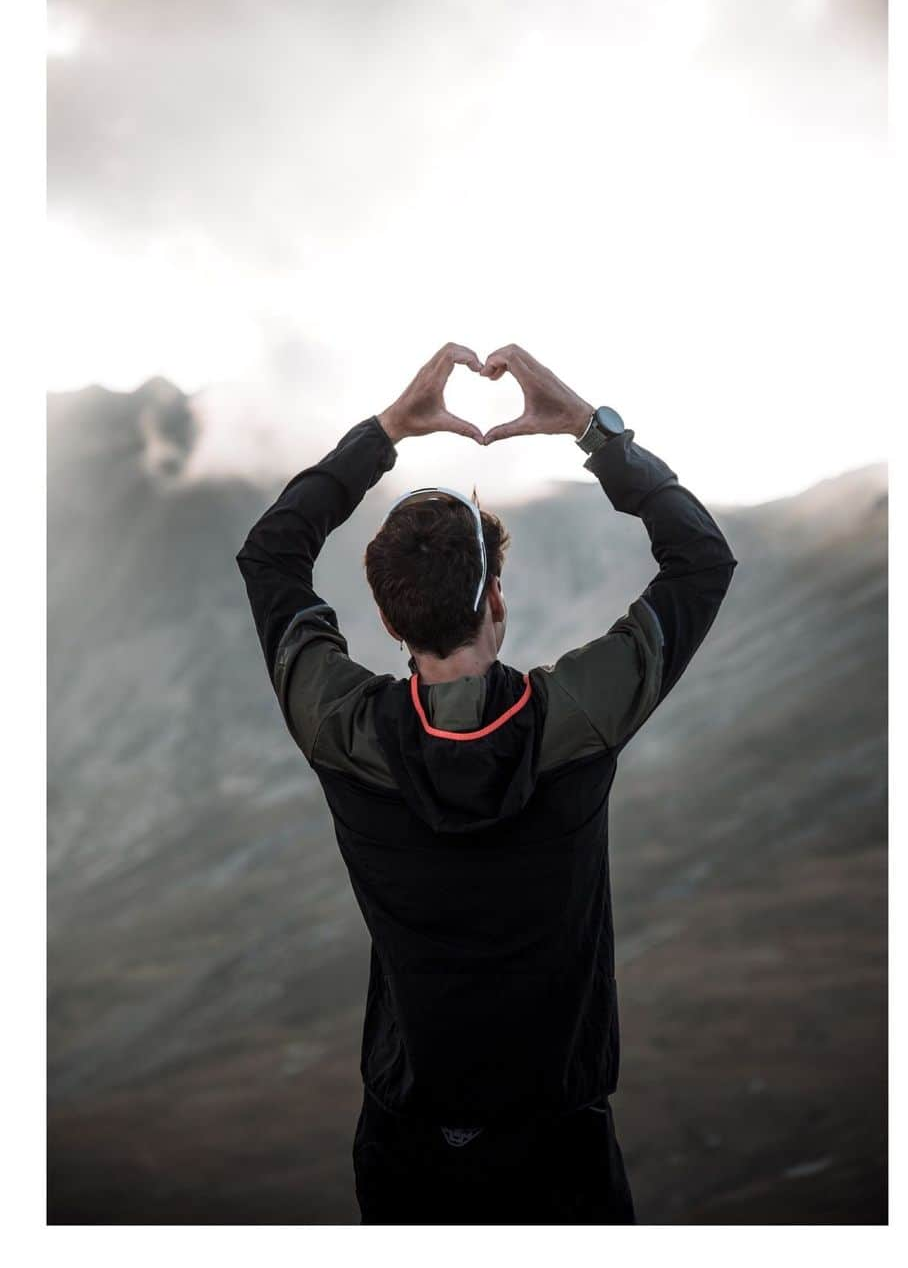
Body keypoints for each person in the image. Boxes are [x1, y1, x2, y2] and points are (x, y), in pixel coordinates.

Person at [235, 342, 738, 1224]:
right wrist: (592, 427)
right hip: (560, 1151)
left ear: (390, 619)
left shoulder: (340, 728)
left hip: (405, 1150)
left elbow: (270, 557)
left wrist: (386, 431)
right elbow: (701, 559)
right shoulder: (576, 721)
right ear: (495, 601)